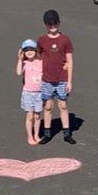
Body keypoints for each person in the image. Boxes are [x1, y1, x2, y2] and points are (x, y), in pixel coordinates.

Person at [36, 9, 75, 144]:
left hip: (62, 79)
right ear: (45, 25)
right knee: (48, 106)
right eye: (49, 24)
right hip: (47, 79)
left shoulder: (65, 40)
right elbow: (38, 58)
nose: (52, 26)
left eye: (55, 23)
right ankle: (47, 133)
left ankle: (66, 133)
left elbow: (69, 61)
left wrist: (69, 81)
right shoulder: (41, 40)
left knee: (63, 105)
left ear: (59, 23)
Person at [16, 39, 43, 145]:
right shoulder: (24, 63)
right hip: (28, 93)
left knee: (37, 116)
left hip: (39, 93)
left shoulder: (41, 62)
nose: (29, 52)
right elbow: (18, 73)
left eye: (31, 49)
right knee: (30, 116)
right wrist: (20, 60)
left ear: (36, 50)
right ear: (23, 52)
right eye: (26, 50)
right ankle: (30, 136)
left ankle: (36, 134)